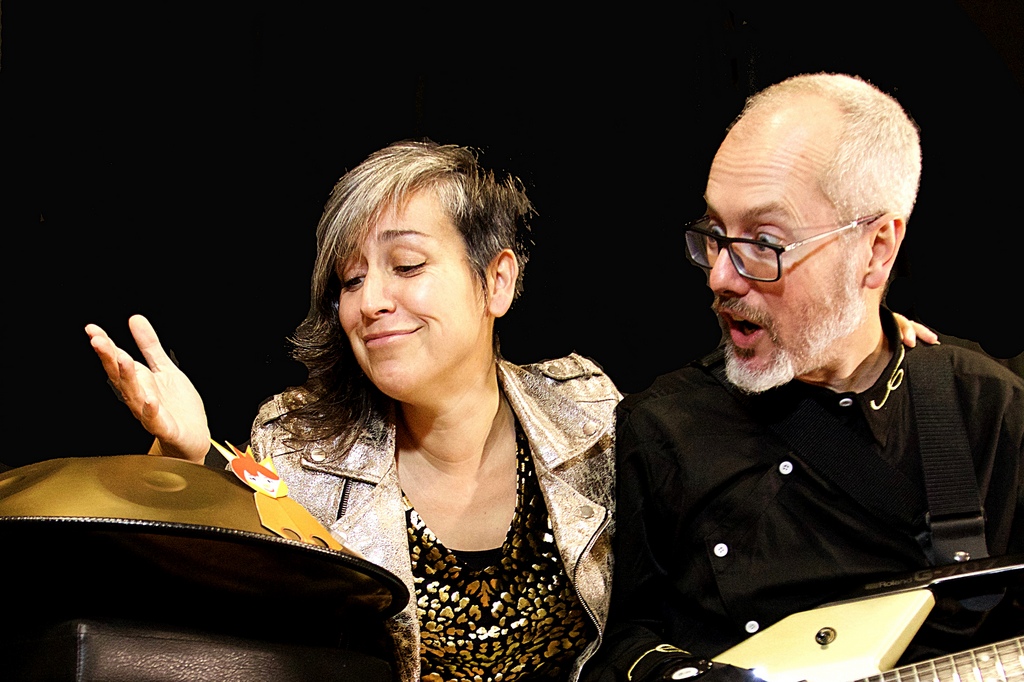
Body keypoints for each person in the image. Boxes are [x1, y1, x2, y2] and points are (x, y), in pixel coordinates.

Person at [86, 140, 621, 682]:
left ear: (497, 281)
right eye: (352, 280)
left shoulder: (591, 414)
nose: (370, 303)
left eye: (407, 265)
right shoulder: (298, 451)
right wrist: (182, 452)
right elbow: (199, 606)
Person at [585, 73, 1023, 682]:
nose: (719, 277)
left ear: (877, 249)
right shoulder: (664, 425)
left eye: (765, 242)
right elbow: (621, 644)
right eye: (714, 234)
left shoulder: (985, 406)